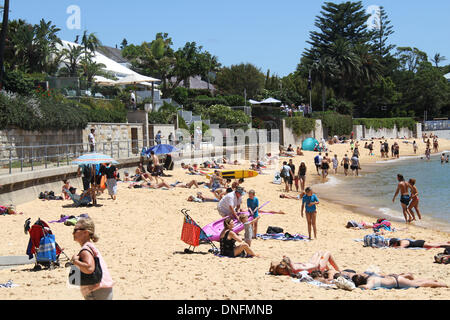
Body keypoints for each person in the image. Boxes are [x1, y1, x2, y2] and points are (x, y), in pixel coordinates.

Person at [71, 217, 114, 300]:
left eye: (75, 230)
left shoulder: (85, 250)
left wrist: (75, 261)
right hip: (102, 289)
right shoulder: (90, 246)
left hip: (96, 290)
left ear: (85, 232)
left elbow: (89, 268)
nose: (73, 233)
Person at [269, 252, 340, 276]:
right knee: (327, 253)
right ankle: (338, 270)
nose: (281, 262)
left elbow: (275, 262)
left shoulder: (291, 268)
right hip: (317, 267)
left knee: (319, 252)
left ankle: (328, 270)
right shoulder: (293, 268)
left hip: (311, 264)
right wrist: (319, 259)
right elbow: (315, 266)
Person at [352, 273, 447, 290]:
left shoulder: (370, 281)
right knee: (416, 282)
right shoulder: (370, 277)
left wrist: (358, 287)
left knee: (419, 284)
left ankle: (440, 284)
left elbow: (367, 288)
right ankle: (432, 280)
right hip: (394, 277)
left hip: (397, 282)